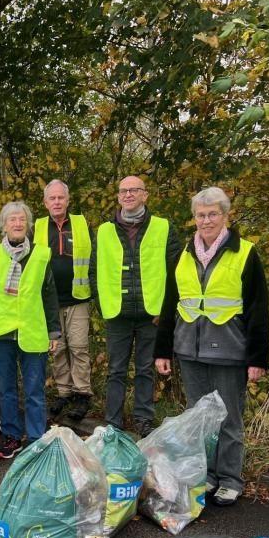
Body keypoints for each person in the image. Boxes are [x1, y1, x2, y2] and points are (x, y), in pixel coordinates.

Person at [155, 187, 269, 507]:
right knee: (198, 419)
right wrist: (162, 351)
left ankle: (230, 479)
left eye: (213, 214)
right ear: (194, 218)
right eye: (201, 215)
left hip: (229, 349)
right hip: (189, 349)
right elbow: (170, 304)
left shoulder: (244, 253)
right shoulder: (183, 254)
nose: (206, 220)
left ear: (225, 216)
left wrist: (258, 358)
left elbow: (258, 308)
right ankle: (205, 475)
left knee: (229, 418)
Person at [90, 175, 181, 437]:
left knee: (145, 370)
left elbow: (176, 271)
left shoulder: (163, 227)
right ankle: (113, 422)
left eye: (134, 190)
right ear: (118, 197)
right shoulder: (104, 231)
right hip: (117, 313)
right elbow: (94, 271)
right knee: (115, 371)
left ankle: (143, 419)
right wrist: (102, 305)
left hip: (151, 314)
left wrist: (166, 311)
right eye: (123, 191)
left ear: (145, 194)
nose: (128, 195)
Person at [0, 201, 60, 459]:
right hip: (0, 331)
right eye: (12, 219)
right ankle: (12, 436)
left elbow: (49, 295)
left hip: (33, 330)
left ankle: (35, 439)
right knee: (7, 389)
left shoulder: (41, 254)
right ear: (4, 225)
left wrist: (54, 331)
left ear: (28, 225)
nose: (17, 223)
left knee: (35, 390)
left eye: (22, 219)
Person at [34, 180, 93, 421]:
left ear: (68, 200)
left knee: (79, 347)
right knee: (57, 349)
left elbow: (94, 257)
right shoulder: (37, 227)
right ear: (45, 202)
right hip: (49, 300)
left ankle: (82, 394)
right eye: (52, 198)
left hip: (78, 297)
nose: (57, 202)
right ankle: (63, 392)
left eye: (61, 197)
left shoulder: (82, 224)